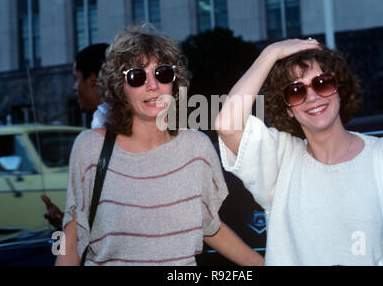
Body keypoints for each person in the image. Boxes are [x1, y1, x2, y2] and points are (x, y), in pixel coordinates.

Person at [55, 24, 264, 266]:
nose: (153, 85)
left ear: (174, 83)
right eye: (137, 76)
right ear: (119, 88)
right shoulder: (90, 148)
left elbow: (209, 225)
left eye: (163, 74)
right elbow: (71, 242)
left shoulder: (196, 148)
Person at [215, 38, 383, 266]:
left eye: (322, 82)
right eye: (296, 91)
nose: (312, 97)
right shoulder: (280, 159)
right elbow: (227, 125)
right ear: (288, 109)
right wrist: (270, 54)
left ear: (339, 88)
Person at [41, 43, 109, 231]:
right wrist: (66, 223)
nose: (74, 87)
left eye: (76, 78)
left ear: (93, 79)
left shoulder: (101, 131)